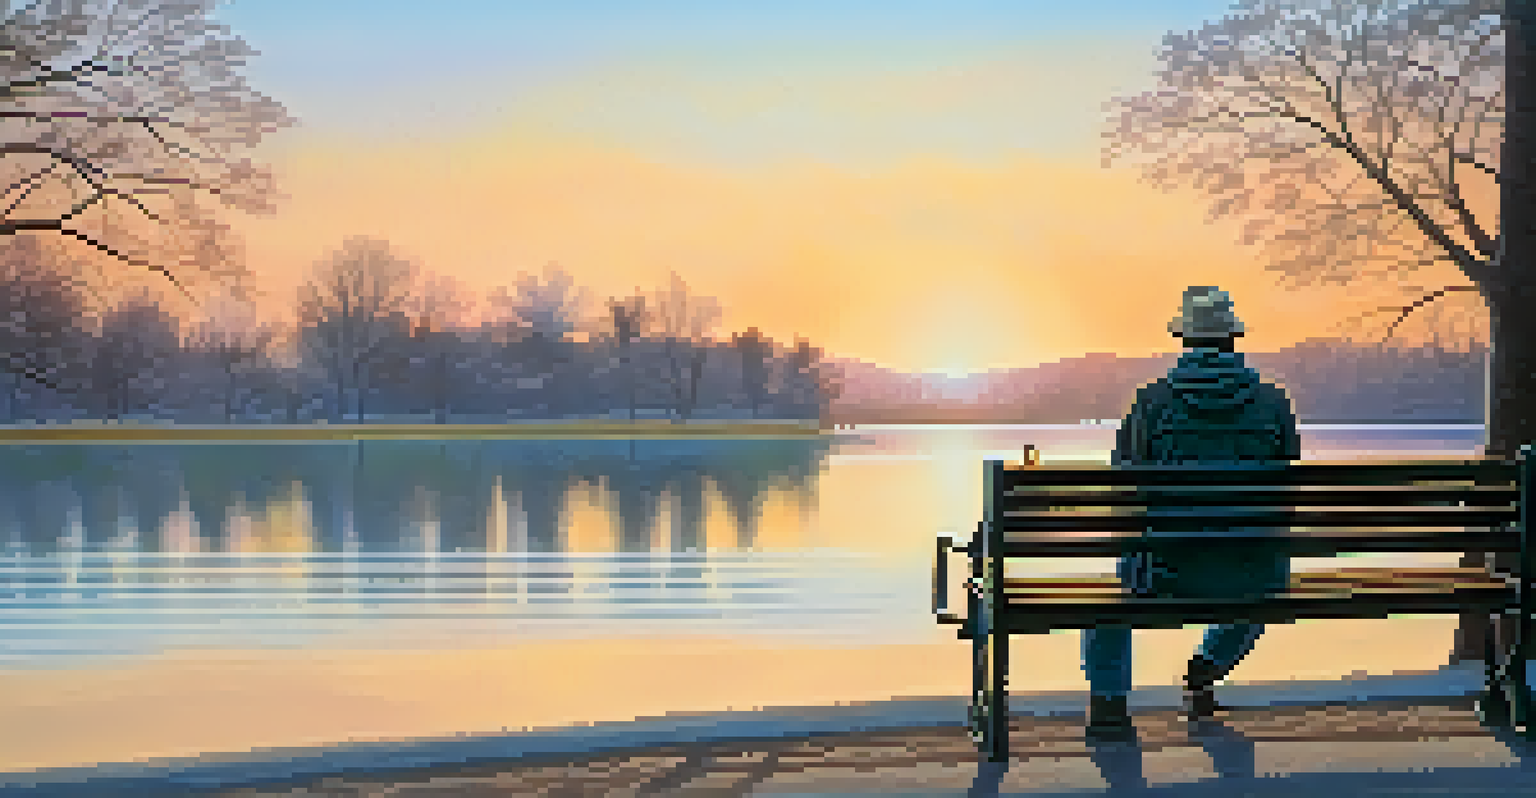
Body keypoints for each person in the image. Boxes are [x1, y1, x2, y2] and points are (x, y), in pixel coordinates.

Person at [1082, 285, 1302, 740]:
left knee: (1105, 607)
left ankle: (1108, 707)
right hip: (1251, 572)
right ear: (1232, 339)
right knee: (1259, 575)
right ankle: (1203, 671)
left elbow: (1125, 485)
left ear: (1185, 341)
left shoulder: (1151, 401)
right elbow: (1287, 489)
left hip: (1166, 571)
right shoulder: (1273, 401)